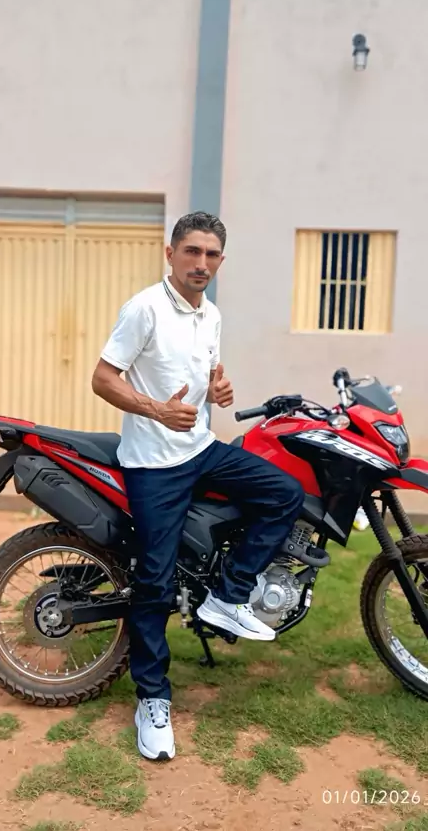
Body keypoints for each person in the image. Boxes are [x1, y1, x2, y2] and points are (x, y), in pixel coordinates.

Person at [92, 211, 304, 761]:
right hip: (153, 464)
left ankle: (226, 596)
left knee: (285, 494)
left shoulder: (210, 314)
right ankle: (153, 700)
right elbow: (103, 378)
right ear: (171, 254)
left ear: (221, 261)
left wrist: (219, 388)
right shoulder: (144, 309)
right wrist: (155, 410)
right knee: (155, 584)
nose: (201, 263)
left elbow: (207, 372)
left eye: (211, 255)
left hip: (201, 449)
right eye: (192, 251)